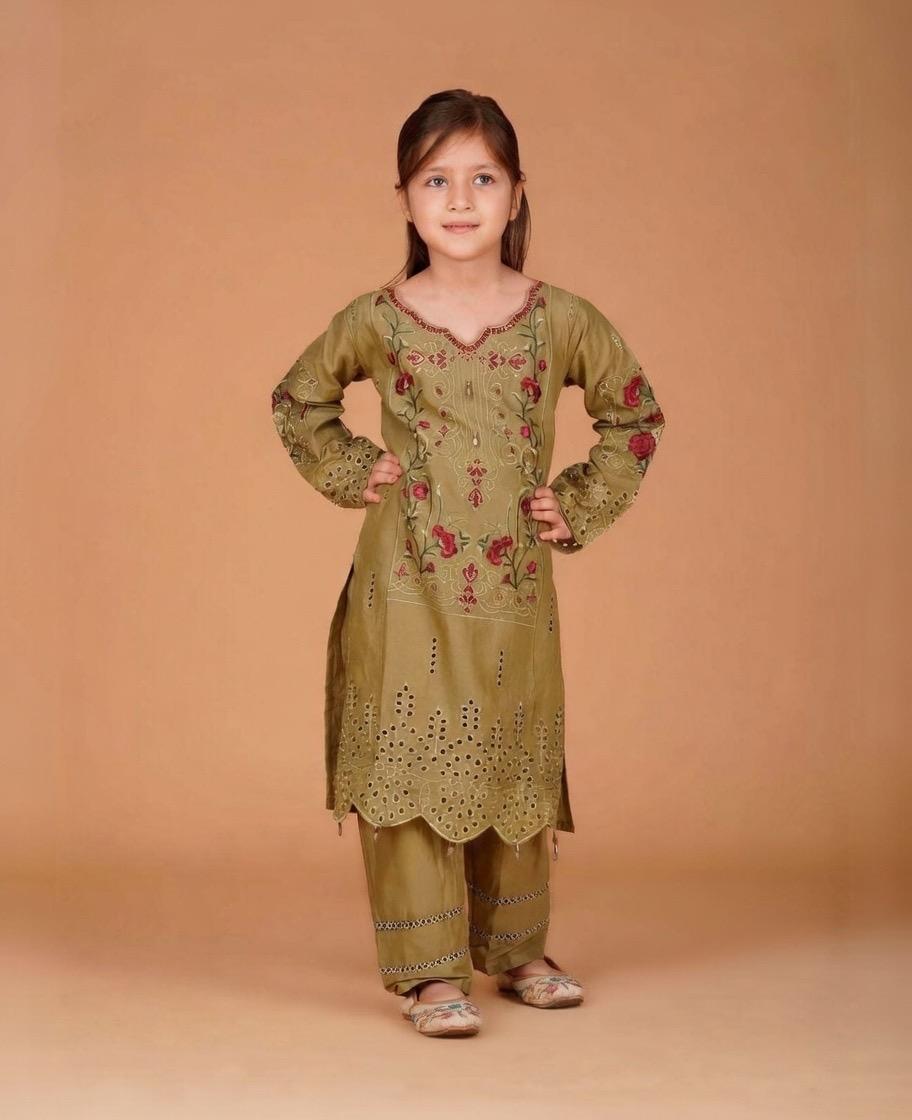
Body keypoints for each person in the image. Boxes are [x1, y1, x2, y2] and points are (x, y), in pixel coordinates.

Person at [269, 88, 667, 1037]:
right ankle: (428, 973)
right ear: (405, 200)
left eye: (482, 179)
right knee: (406, 757)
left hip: (513, 590)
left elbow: (635, 416)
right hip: (403, 583)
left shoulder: (560, 318)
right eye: (435, 180)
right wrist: (355, 469)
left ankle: (518, 950)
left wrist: (576, 502)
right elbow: (298, 401)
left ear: (518, 192)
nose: (459, 200)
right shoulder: (379, 318)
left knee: (511, 751)